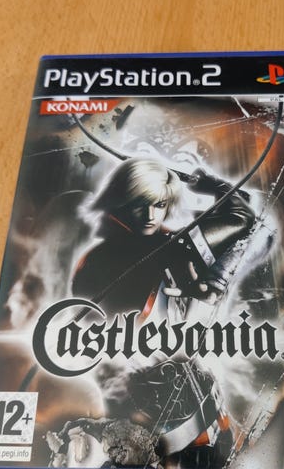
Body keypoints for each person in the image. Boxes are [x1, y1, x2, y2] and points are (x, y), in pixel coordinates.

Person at [71, 157, 255, 468]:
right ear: (122, 201)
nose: (149, 215)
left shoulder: (169, 246)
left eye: (158, 204)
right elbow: (241, 217)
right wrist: (211, 185)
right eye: (139, 204)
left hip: (185, 395)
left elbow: (242, 219)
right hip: (143, 402)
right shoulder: (165, 249)